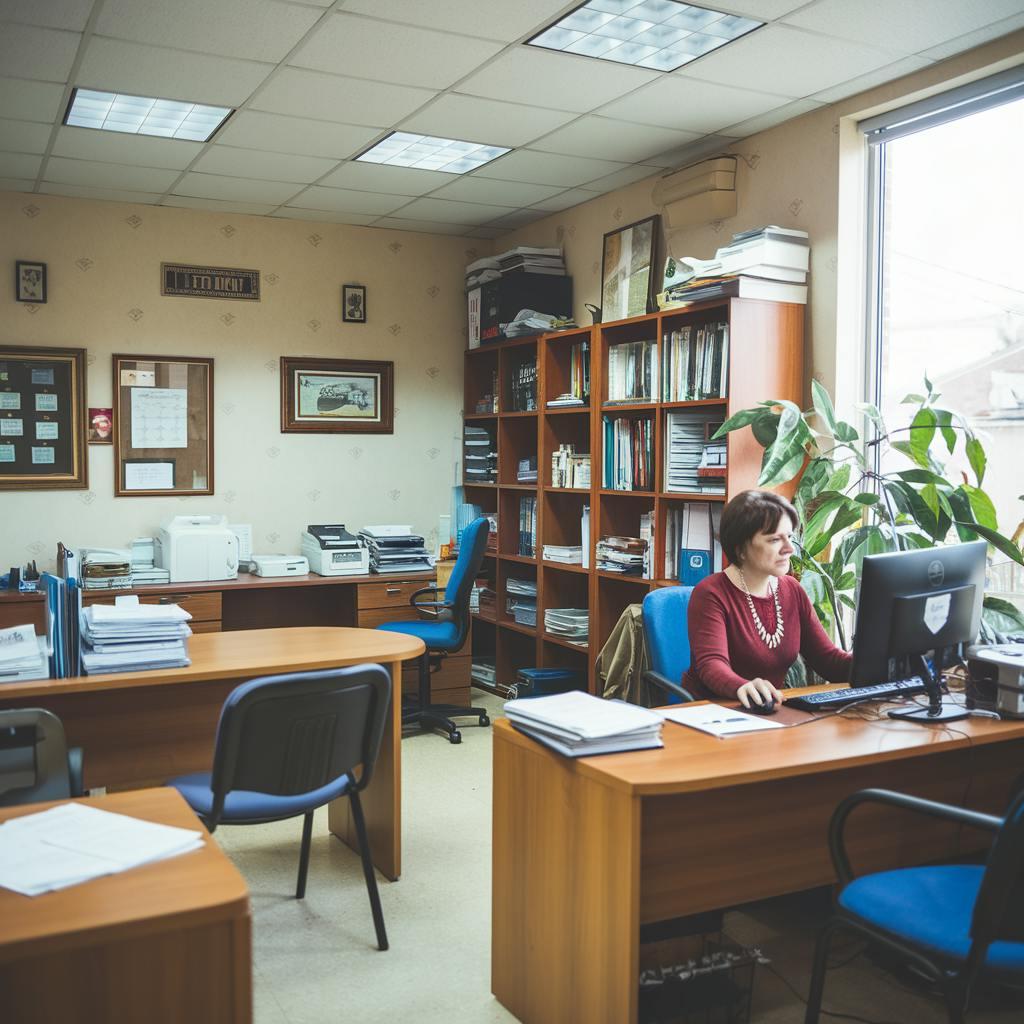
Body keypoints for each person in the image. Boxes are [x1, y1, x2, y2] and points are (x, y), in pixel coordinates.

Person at [683, 489, 852, 709]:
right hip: (716, 713)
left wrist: (878, 659)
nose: (789, 549)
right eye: (774, 540)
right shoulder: (711, 593)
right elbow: (712, 665)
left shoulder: (792, 589)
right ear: (741, 548)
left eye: (789, 537)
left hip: (771, 710)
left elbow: (828, 661)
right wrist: (742, 686)